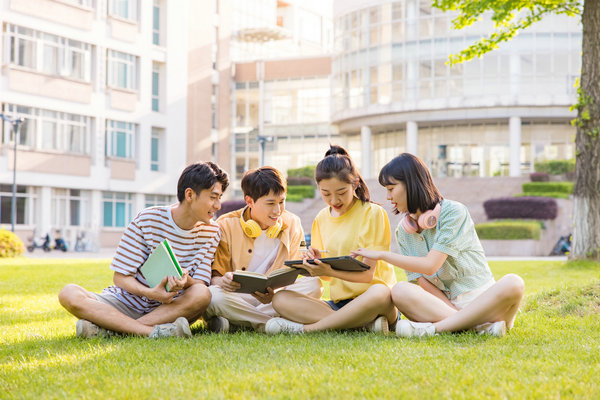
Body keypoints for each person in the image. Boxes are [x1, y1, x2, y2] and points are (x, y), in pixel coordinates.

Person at [351, 153, 525, 337]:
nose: (387, 196)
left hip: (483, 301)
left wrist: (382, 255)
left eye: (391, 188)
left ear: (411, 184)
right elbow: (423, 281)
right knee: (400, 290)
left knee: (514, 282)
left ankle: (434, 330)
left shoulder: (453, 212)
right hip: (441, 307)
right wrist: (453, 313)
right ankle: (479, 327)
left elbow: (430, 265)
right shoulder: (403, 232)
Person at [58, 162, 229, 338]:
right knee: (69, 293)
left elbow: (200, 285)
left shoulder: (212, 231)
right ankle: (152, 332)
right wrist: (151, 293)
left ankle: (113, 329)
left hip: (168, 309)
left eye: (220, 198)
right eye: (213, 197)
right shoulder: (148, 219)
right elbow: (121, 277)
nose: (218, 205)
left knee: (202, 293)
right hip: (126, 302)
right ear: (190, 194)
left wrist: (185, 281)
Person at [265, 145, 397, 335]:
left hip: (373, 300)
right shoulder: (321, 218)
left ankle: (308, 329)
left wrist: (329, 271)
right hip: (339, 305)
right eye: (326, 194)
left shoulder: (373, 213)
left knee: (381, 292)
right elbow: (326, 276)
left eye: (341, 192)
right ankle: (361, 324)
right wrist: (316, 262)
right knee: (280, 299)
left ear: (355, 184)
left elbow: (368, 276)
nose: (334, 199)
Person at [205, 166, 321, 333]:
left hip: (277, 297)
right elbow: (214, 278)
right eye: (270, 204)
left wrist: (309, 260)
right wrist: (223, 281)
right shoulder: (225, 224)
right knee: (213, 296)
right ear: (249, 201)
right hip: (238, 298)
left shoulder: (293, 222)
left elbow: (298, 272)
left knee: (313, 284)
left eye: (282, 202)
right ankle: (273, 324)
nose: (278, 210)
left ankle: (239, 321)